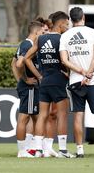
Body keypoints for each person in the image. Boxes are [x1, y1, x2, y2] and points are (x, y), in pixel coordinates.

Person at [59, 7, 94, 158]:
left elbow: (64, 60)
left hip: (76, 81)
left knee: (78, 115)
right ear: (83, 17)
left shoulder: (65, 36)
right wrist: (88, 73)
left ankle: (80, 151)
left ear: (70, 20)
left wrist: (81, 72)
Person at [24, 12, 73, 158]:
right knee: (62, 115)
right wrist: (70, 74)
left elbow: (27, 58)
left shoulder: (41, 38)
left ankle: (39, 150)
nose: (67, 26)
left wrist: (39, 75)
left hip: (44, 82)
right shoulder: (63, 39)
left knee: (42, 116)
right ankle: (63, 151)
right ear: (61, 23)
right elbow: (66, 60)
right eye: (67, 24)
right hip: (59, 80)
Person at [12, 21, 44, 158]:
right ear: (36, 32)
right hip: (29, 87)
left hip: (31, 87)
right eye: (42, 33)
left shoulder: (25, 44)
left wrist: (20, 79)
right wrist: (25, 79)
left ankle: (33, 148)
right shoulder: (28, 44)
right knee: (24, 117)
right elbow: (19, 63)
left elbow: (13, 63)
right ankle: (22, 150)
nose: (42, 35)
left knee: (36, 117)